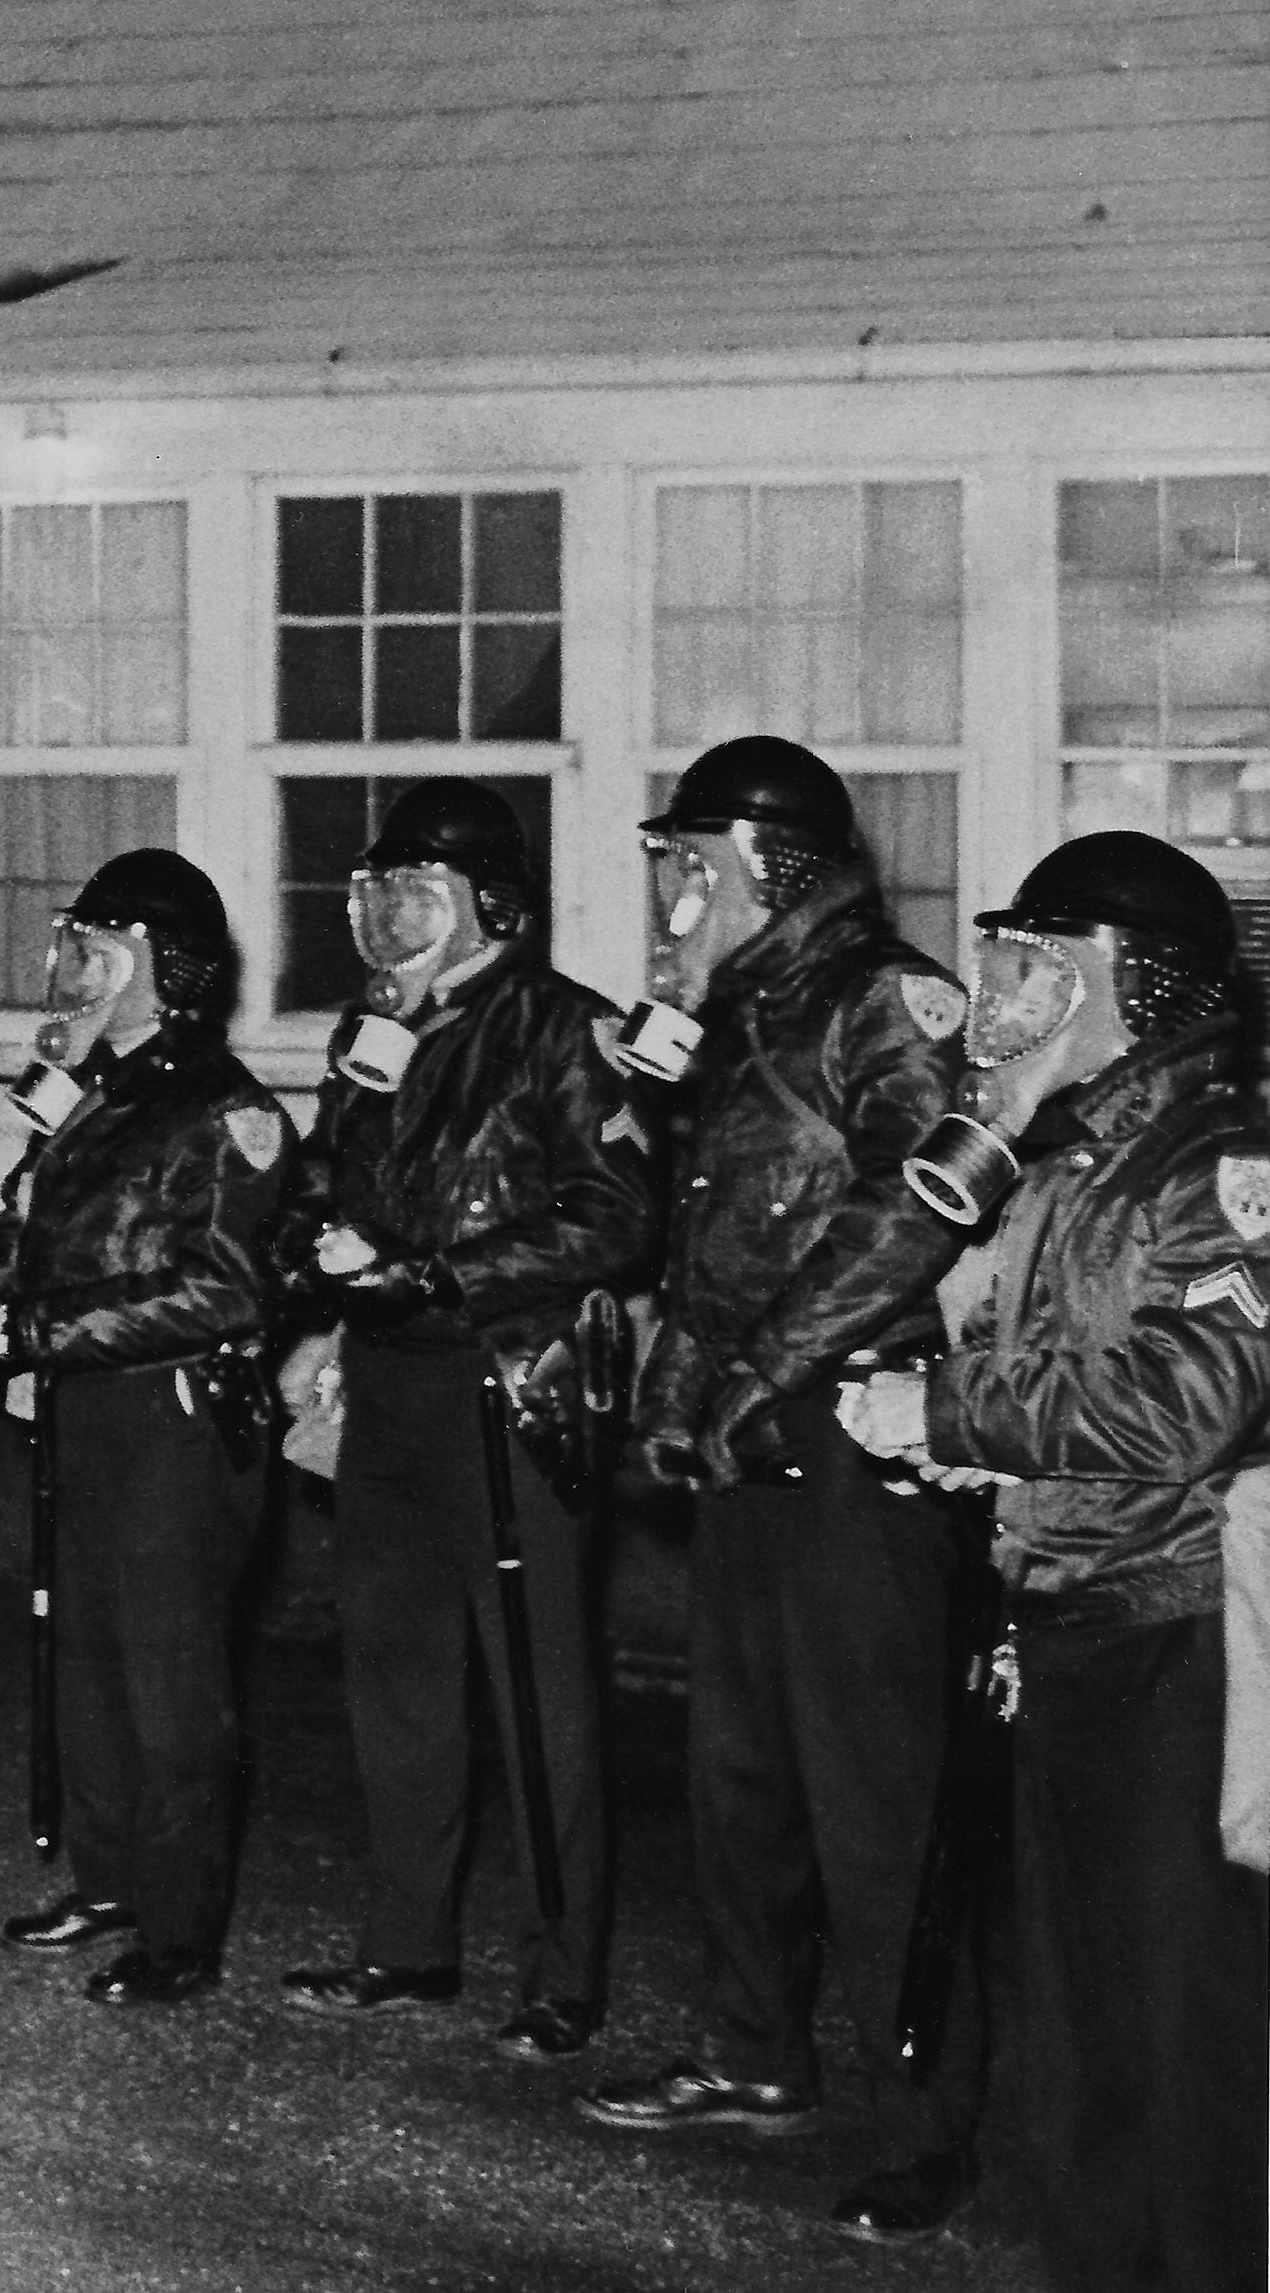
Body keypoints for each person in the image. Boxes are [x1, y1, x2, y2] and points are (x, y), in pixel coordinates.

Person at [838, 832, 1270, 2293]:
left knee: (1183, 2024)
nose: (997, 999)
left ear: (1121, 984)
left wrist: (954, 1410)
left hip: (1175, 1635)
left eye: (1031, 965)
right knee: (1078, 2019)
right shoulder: (1070, 1156)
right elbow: (1071, 1379)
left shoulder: (1220, 1164)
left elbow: (1193, 1401)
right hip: (1069, 1618)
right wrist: (981, 1444)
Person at [576, 740, 982, 2242]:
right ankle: (755, 2054)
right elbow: (695, 1226)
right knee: (737, 1775)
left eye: (696, 865)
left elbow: (914, 1207)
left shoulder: (886, 998)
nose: (674, 892)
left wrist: (768, 1369)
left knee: (878, 1795)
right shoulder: (735, 1007)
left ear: (771, 868)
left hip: (854, 1431)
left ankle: (926, 2121)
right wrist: (684, 1398)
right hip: (755, 1432)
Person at [276, 778, 654, 2057]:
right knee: (395, 1676)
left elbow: (614, 1213)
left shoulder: (563, 1028)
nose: (386, 918)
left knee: (538, 1690)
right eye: (373, 892)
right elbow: (334, 1171)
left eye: (415, 892)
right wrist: (325, 1297)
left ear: (491, 901)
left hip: (510, 1380)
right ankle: (408, 1943)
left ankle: (565, 1971)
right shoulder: (369, 1027)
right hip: (388, 1378)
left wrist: (445, 1274)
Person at [0, 849, 288, 2006]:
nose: (75, 974)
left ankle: (183, 1926)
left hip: (176, 1420)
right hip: (86, 1411)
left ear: (163, 970)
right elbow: (25, 1220)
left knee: (170, 1676)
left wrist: (47, 1331)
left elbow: (226, 1288)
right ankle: (106, 1877)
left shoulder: (227, 1109)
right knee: (87, 1655)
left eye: (98, 952)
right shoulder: (91, 1092)